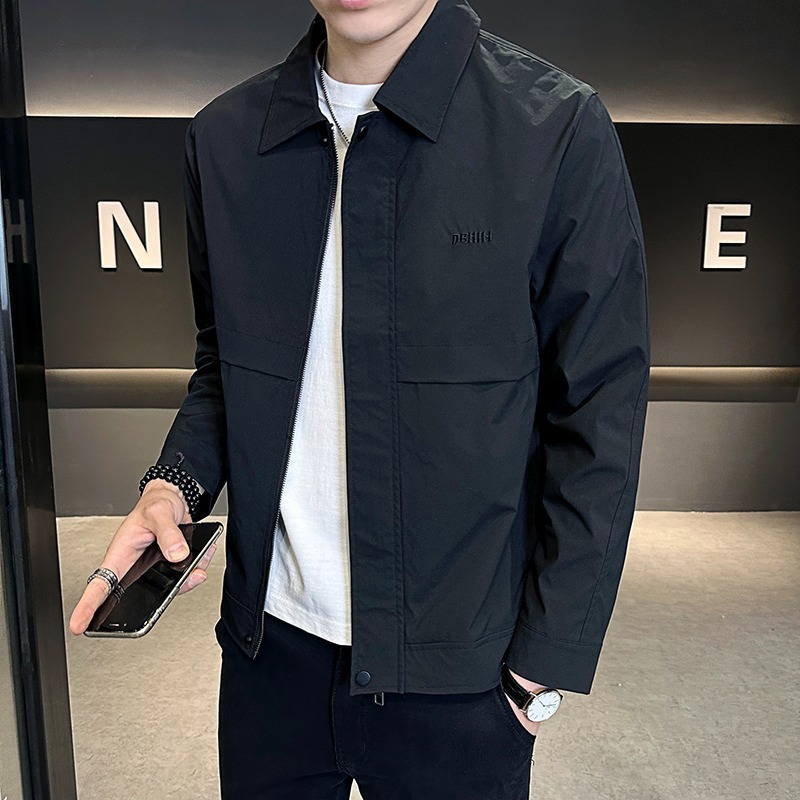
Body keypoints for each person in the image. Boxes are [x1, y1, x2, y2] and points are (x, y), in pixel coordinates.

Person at [69, 0, 650, 797]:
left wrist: (538, 673)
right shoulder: (225, 137)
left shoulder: (555, 129)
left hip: (463, 679)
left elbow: (600, 412)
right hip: (269, 657)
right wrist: (175, 483)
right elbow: (225, 365)